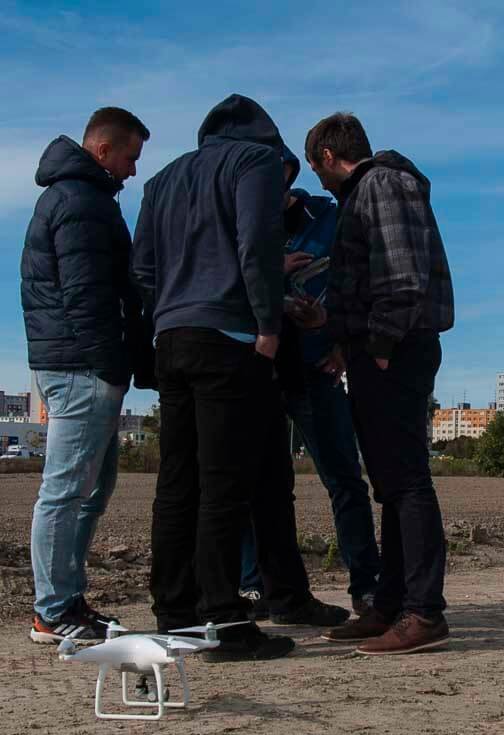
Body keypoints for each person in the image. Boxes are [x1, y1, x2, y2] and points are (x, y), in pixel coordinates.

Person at [131, 94, 298, 661]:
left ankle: (174, 613)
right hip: (228, 337)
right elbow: (257, 244)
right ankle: (225, 621)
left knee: (177, 482)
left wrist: (167, 314)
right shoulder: (253, 164)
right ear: (266, 137)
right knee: (225, 484)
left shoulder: (161, 179)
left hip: (171, 339)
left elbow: (144, 268)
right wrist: (268, 323)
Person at [304, 112, 454, 655]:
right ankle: (390, 605)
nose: (316, 181)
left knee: (407, 481)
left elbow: (402, 273)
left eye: (313, 167)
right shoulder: (367, 192)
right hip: (377, 350)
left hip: (397, 350)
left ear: (326, 156)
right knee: (390, 484)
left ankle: (423, 612)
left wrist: (383, 345)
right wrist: (342, 338)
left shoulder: (385, 183)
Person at [21, 107, 152, 646]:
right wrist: (110, 365)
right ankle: (53, 611)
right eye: (130, 156)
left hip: (77, 363)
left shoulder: (81, 198)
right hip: (80, 366)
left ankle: (65, 601)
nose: (134, 169)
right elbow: (87, 295)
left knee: (90, 489)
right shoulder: (80, 203)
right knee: (67, 491)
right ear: (103, 151)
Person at [239, 151, 382, 617]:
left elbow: (360, 280)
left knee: (345, 480)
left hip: (316, 365)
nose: (268, 194)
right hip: (256, 369)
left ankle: (368, 587)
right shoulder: (235, 223)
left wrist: (343, 340)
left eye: (276, 183)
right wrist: (272, 272)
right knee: (253, 485)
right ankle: (254, 587)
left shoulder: (328, 217)